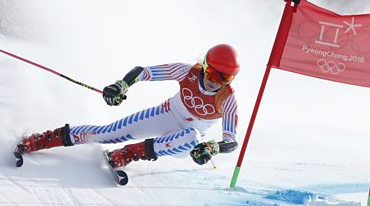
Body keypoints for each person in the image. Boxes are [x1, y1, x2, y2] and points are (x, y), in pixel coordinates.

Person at [14, 44, 240, 168]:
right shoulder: (187, 71)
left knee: (192, 137)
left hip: (184, 142)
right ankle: (44, 139)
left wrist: (213, 148)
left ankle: (129, 154)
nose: (214, 81)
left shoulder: (228, 100)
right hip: (165, 114)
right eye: (211, 73)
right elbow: (145, 71)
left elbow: (231, 141)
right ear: (205, 66)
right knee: (106, 134)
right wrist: (122, 85)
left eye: (224, 79)